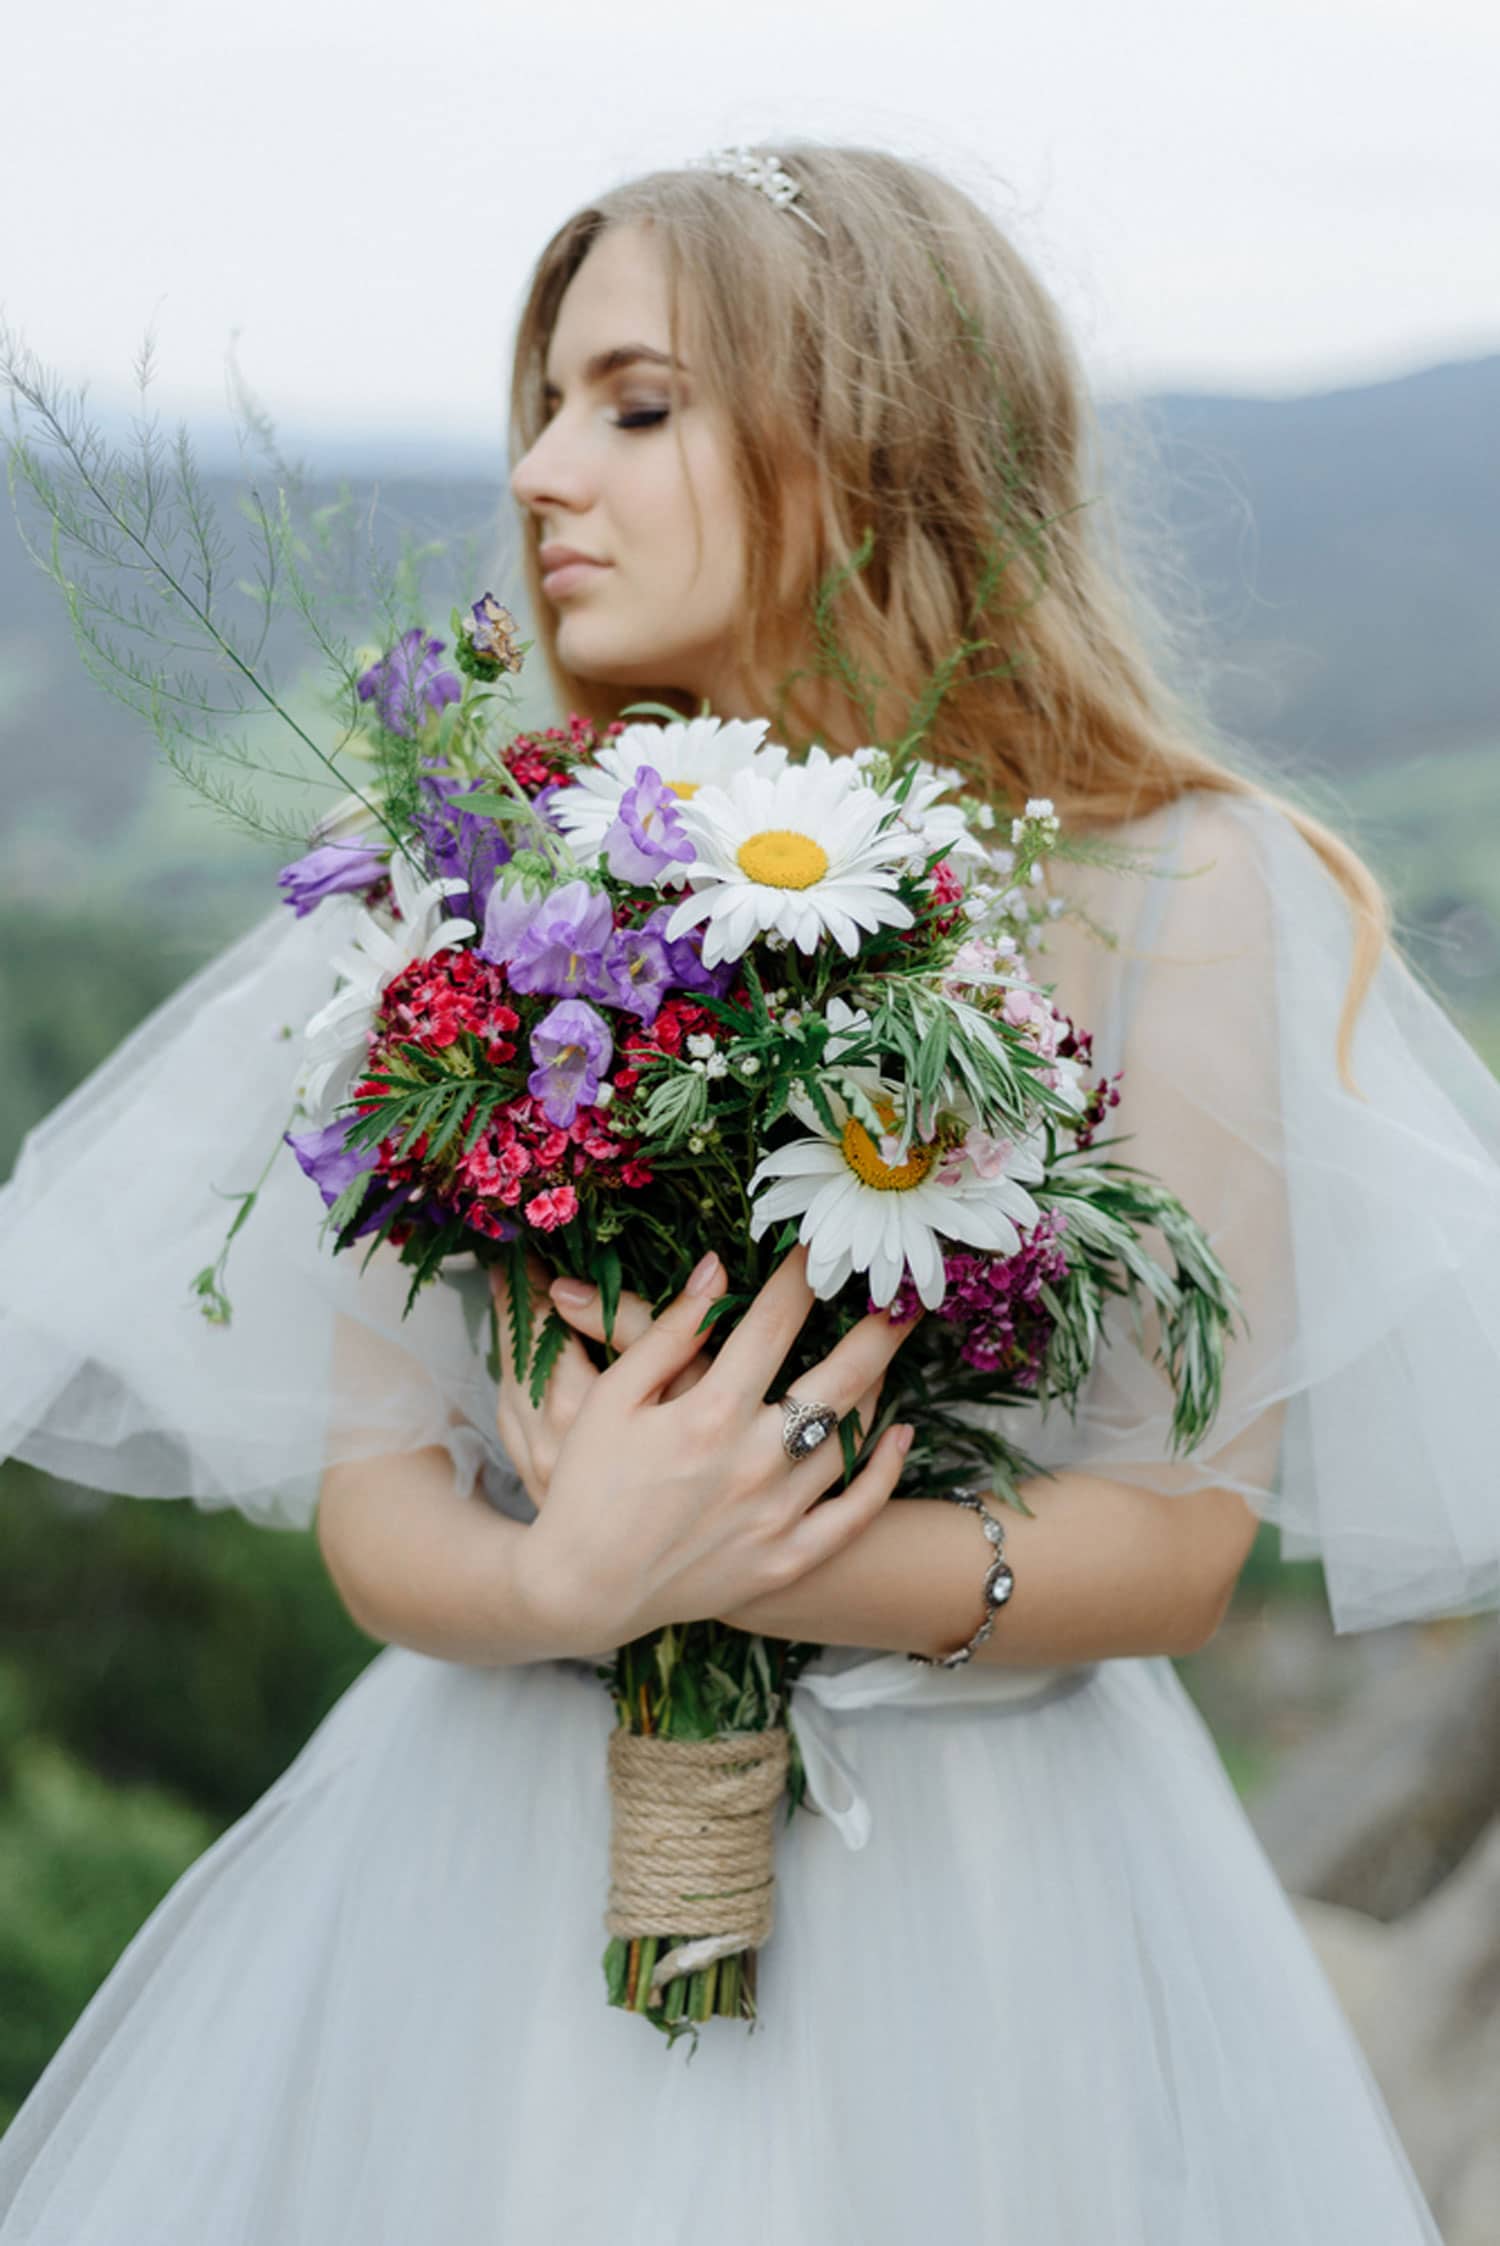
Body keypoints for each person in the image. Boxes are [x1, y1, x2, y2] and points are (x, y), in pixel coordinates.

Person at [1, 140, 1495, 2243]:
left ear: (866, 428)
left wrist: (740, 1559)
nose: (540, 473)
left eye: (630, 403)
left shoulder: (1180, 886)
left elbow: (1172, 1539)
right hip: (492, 1865)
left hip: (990, 1896)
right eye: (541, 403)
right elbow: (378, 1491)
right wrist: (552, 1584)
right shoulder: (478, 888)